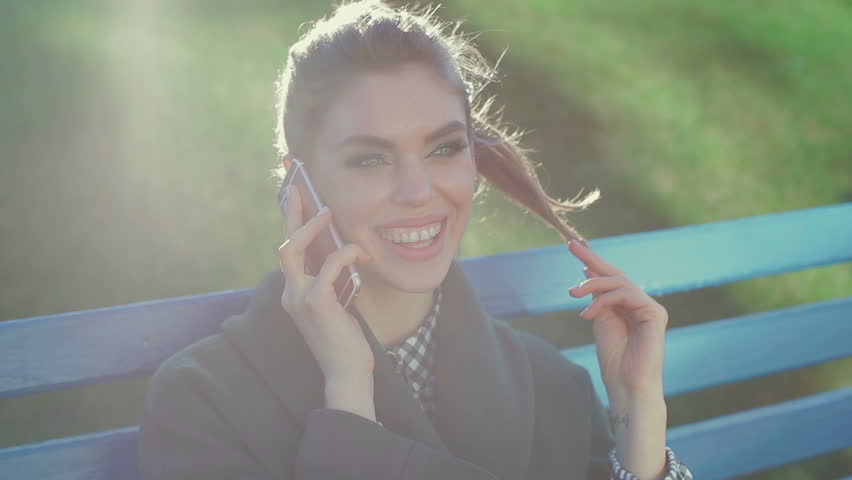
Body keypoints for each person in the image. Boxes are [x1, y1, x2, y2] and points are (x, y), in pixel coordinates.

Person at [138, 1, 693, 479]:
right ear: (298, 184)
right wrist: (350, 395)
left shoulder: (555, 386)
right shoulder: (204, 399)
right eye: (371, 159)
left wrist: (636, 417)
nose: (417, 191)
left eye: (444, 148)